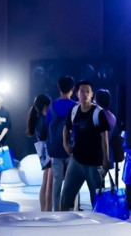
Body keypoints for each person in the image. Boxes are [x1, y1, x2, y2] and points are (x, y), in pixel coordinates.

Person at [60, 80, 110, 211]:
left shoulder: (98, 113)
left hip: (94, 163)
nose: (85, 94)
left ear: (92, 94)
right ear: (77, 94)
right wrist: (65, 144)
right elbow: (66, 127)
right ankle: (61, 222)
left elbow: (104, 136)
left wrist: (106, 158)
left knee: (98, 201)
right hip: (76, 161)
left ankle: (99, 224)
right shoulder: (74, 110)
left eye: (88, 91)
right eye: (82, 91)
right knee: (65, 198)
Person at [46, 76, 76, 211]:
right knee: (72, 182)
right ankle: (70, 209)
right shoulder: (76, 106)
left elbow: (48, 126)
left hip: (55, 149)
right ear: (73, 89)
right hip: (71, 149)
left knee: (57, 181)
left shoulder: (51, 107)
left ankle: (56, 210)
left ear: (59, 88)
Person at [26, 93, 52, 211]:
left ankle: (44, 209)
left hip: (42, 150)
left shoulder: (37, 117)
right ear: (46, 105)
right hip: (48, 149)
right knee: (48, 182)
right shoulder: (45, 119)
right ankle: (47, 209)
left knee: (45, 181)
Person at [0, 91, 11, 192]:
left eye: (1, 96)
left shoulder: (5, 111)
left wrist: (0, 138)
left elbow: (7, 125)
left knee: (0, 164)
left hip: (1, 141)